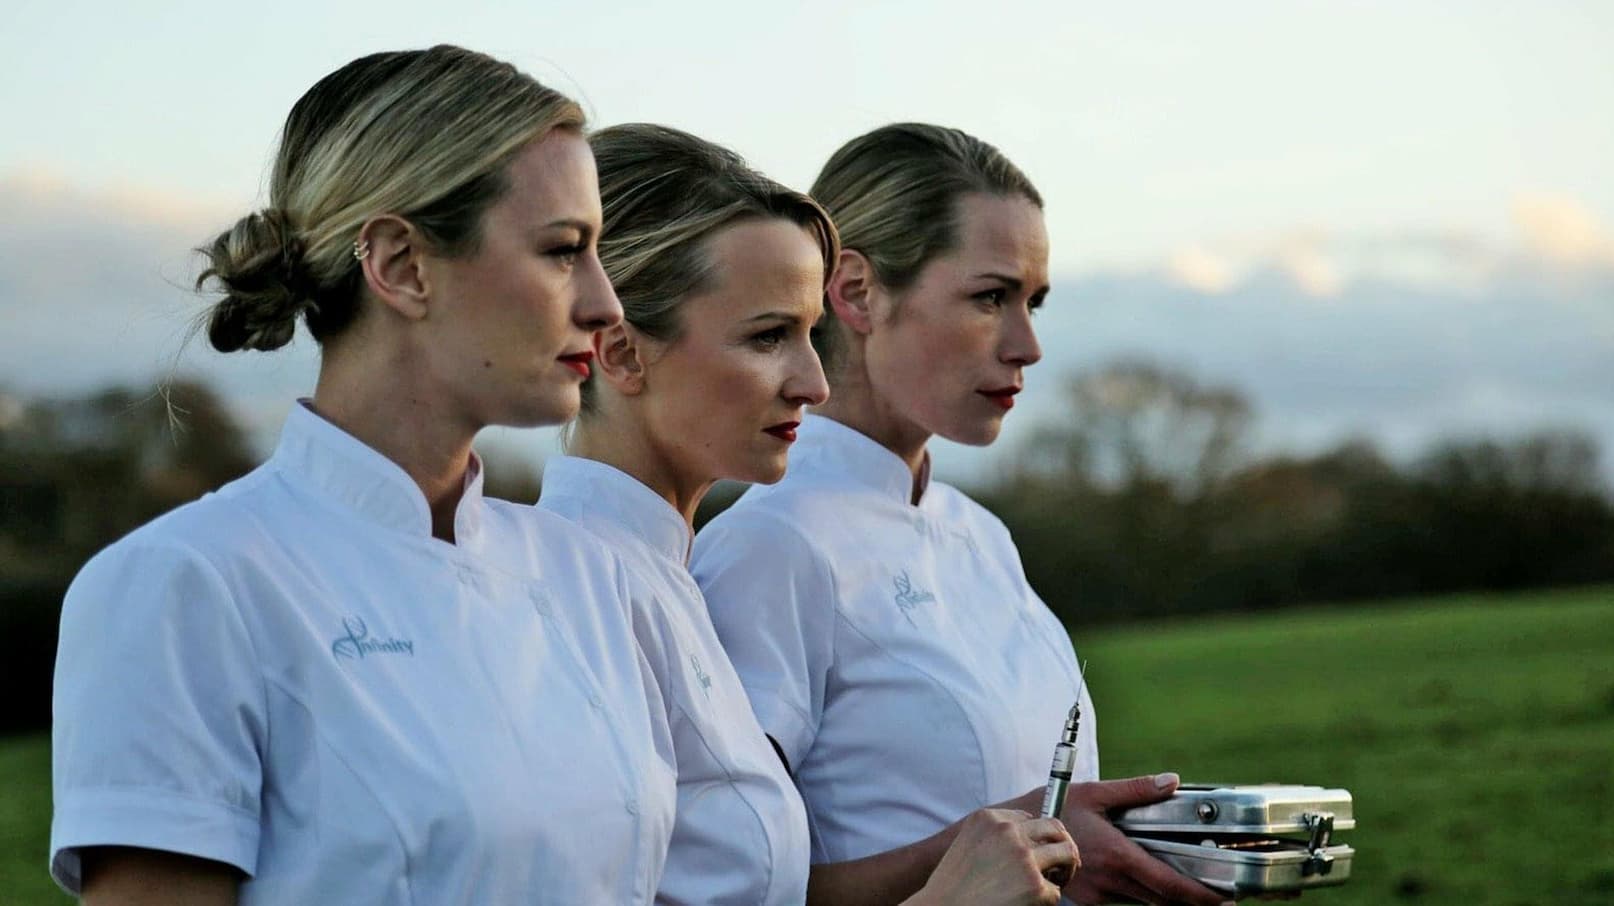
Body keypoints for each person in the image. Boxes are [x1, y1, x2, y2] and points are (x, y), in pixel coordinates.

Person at [49, 46, 677, 905]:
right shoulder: (187, 586)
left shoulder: (590, 574)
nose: (607, 304)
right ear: (400, 265)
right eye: (565, 250)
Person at [536, 122, 1079, 906]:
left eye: (805, 333)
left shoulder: (662, 580)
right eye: (768, 337)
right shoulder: (573, 596)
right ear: (620, 354)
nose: (814, 382)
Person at [692, 123, 1230, 906]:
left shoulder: (980, 535)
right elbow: (730, 889)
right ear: (856, 291)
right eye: (990, 297)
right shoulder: (770, 546)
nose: (1027, 345)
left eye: (1033, 302)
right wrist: (1023, 840)